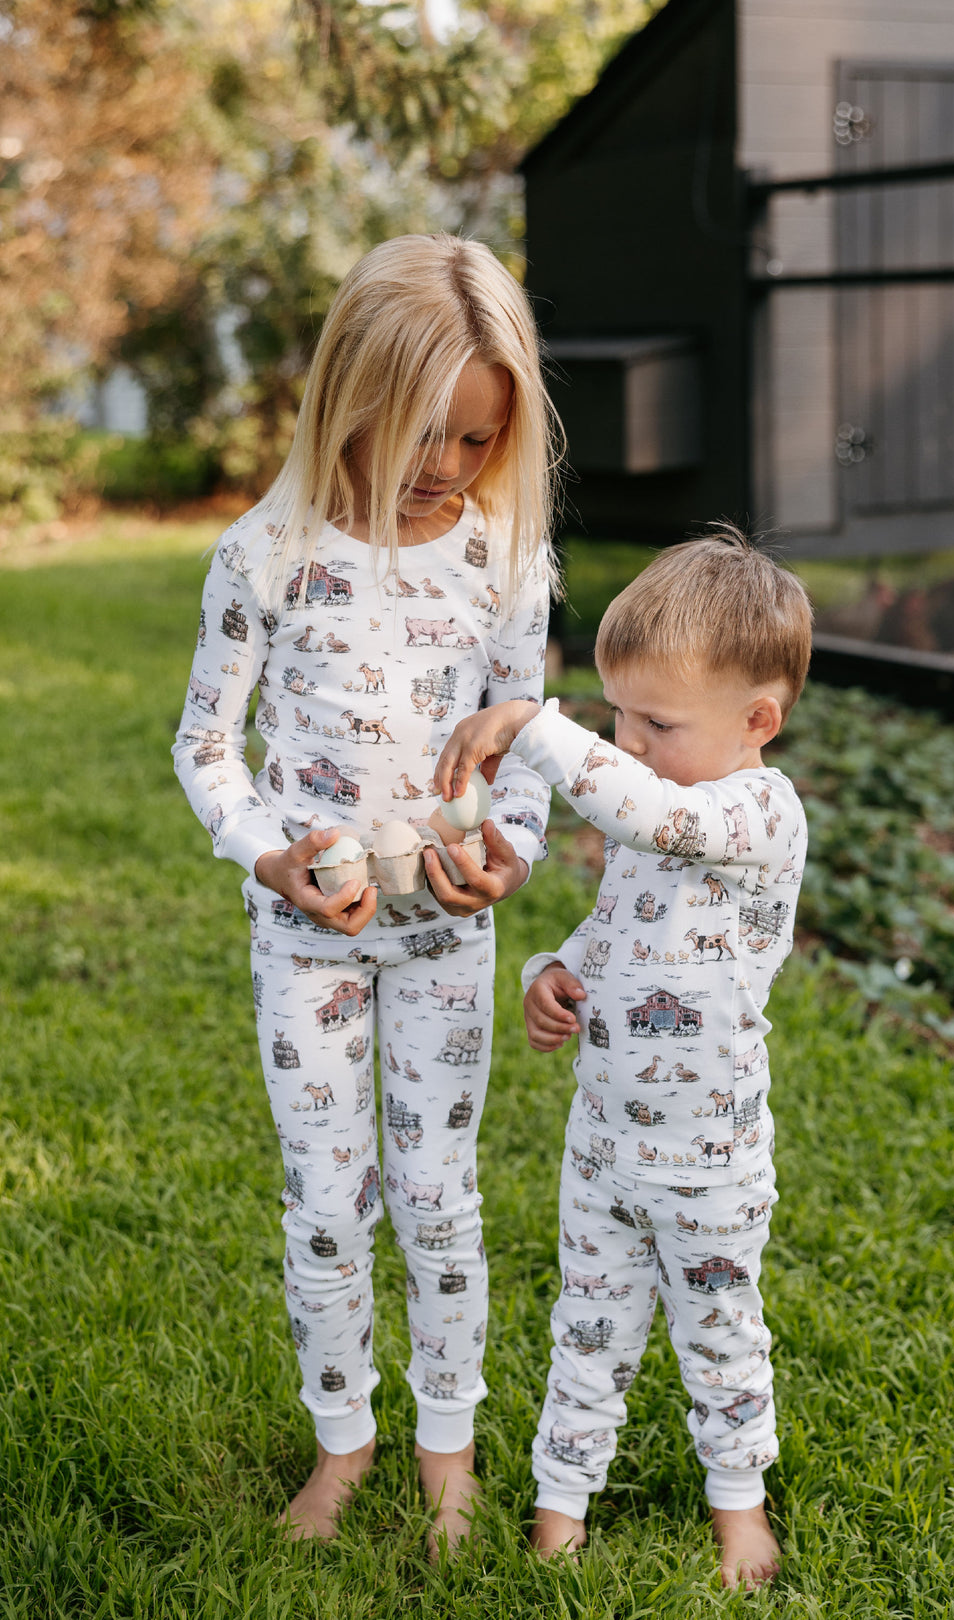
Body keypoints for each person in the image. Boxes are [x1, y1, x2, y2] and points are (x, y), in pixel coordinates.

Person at [173, 233, 559, 1549]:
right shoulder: (265, 554)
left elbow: (526, 752)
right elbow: (207, 748)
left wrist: (509, 856)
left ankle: (448, 1444)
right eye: (421, 436)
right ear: (348, 395)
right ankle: (345, 1440)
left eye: (473, 442)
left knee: (440, 1190)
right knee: (328, 1199)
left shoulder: (504, 562)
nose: (443, 469)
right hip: (309, 934)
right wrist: (267, 854)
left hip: (446, 932)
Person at [433, 530, 812, 1588]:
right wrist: (554, 968)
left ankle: (740, 1505)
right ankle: (562, 1501)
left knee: (720, 1337)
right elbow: (618, 931)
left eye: (656, 721)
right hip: (601, 1148)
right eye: (618, 718)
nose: (630, 744)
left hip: (710, 1163)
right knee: (586, 1327)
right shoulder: (660, 819)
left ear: (757, 722)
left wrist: (541, 731)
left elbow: (661, 814)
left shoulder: (750, 813)